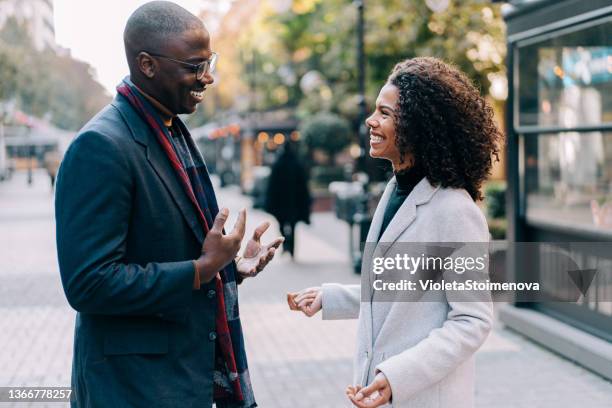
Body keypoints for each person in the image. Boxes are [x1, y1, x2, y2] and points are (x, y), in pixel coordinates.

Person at [54, 2, 282, 407]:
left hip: (177, 381)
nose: (207, 77)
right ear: (147, 64)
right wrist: (201, 270)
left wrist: (228, 270)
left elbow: (165, 250)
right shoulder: (102, 146)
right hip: (133, 389)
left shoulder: (169, 131)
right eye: (195, 66)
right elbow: (88, 284)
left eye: (209, 62)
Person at [293, 57, 502, 408]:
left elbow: (472, 320)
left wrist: (396, 375)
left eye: (385, 113)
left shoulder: (454, 210)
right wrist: (330, 297)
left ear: (417, 127)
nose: (370, 121)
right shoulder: (395, 189)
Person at [264, 142, 311, 258]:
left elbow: (272, 185)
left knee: (280, 223)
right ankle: (291, 249)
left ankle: (286, 244)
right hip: (294, 202)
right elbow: (303, 185)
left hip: (280, 202)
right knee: (293, 225)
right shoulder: (297, 164)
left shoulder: (278, 164)